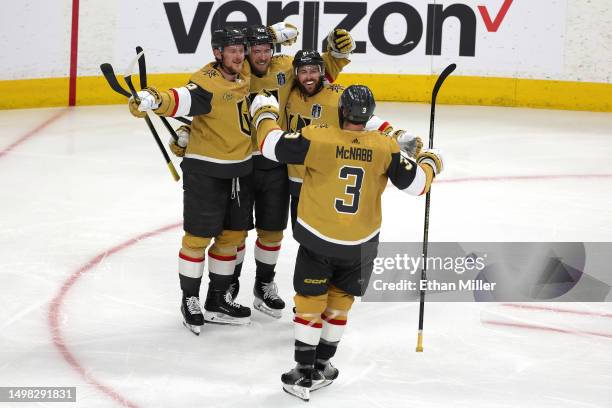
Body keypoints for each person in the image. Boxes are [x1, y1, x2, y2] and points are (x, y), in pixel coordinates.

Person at [249, 85, 444, 400]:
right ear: (368, 116)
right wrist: (431, 161)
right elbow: (419, 185)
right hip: (361, 245)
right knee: (340, 301)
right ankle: (323, 365)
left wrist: (264, 111)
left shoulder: (317, 136)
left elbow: (271, 145)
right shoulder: (385, 147)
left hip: (319, 239)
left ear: (341, 111)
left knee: (310, 303)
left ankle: (302, 371)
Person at [224, 24, 356, 318]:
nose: (260, 56)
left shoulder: (285, 66)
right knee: (234, 233)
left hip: (275, 165)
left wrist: (337, 52)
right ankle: (228, 287)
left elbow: (317, 78)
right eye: (254, 50)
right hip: (240, 161)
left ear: (273, 50)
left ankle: (264, 285)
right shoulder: (234, 68)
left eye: (265, 49)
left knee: (272, 232)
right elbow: (211, 99)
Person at [128, 27, 253, 334]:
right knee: (197, 239)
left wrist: (273, 34)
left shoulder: (245, 73)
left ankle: (217, 299)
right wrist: (153, 98)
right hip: (206, 172)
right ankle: (190, 300)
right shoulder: (205, 84)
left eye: (241, 49)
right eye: (231, 50)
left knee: (232, 237)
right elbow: (180, 99)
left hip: (240, 170)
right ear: (217, 53)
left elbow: (269, 57)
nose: (238, 56)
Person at [283, 49, 423, 227]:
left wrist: (395, 135)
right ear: (295, 74)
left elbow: (365, 119)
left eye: (313, 71)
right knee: (301, 235)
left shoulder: (337, 96)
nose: (309, 77)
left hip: (325, 182)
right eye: (303, 71)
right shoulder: (289, 93)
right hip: (295, 183)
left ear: (322, 71)